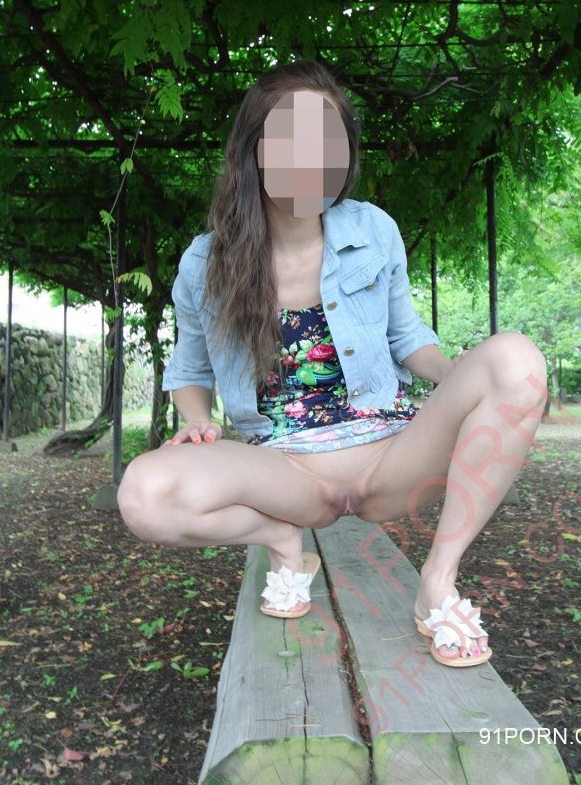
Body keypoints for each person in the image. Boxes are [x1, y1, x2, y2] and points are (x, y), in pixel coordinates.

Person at [117, 60, 548, 668]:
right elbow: (190, 372)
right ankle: (280, 538)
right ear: (254, 151)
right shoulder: (204, 263)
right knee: (143, 494)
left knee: (516, 359)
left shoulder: (373, 230)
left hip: (388, 453)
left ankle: (438, 581)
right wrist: (195, 421)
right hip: (286, 471)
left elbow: (408, 338)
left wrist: (474, 388)